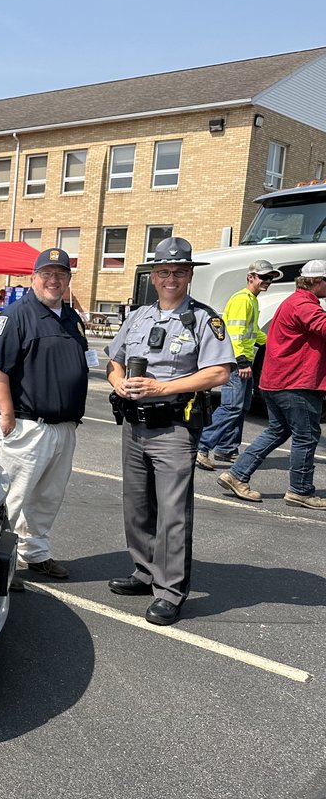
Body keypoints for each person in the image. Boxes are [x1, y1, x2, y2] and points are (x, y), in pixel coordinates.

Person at [105, 237, 234, 626]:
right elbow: (115, 360)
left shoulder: (204, 320)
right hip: (133, 424)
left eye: (179, 271)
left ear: (190, 275)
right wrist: (118, 383)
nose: (171, 278)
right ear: (154, 276)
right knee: (137, 506)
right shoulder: (139, 316)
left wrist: (163, 387)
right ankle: (145, 572)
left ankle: (170, 591)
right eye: (164, 271)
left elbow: (219, 372)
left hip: (174, 428)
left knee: (173, 513)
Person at [0, 247, 90, 586]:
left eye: (61, 274)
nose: (53, 281)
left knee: (47, 498)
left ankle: (36, 553)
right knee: (11, 498)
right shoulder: (16, 315)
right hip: (28, 426)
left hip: (64, 428)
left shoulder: (70, 318)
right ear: (34, 277)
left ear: (68, 280)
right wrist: (7, 416)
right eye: (47, 274)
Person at [217, 259, 326, 509]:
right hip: (295, 383)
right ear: (317, 282)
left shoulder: (294, 302)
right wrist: (242, 361)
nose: (267, 282)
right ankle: (300, 490)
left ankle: (236, 474)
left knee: (278, 430)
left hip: (277, 380)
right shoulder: (303, 305)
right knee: (306, 436)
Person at [196, 259, 281, 470]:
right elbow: (234, 334)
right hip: (237, 363)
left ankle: (226, 449)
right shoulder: (243, 299)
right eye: (263, 277)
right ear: (250, 277)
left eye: (270, 278)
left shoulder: (251, 300)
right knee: (232, 407)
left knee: (241, 407)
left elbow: (253, 333)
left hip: (243, 362)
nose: (267, 281)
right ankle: (201, 447)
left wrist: (276, 344)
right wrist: (242, 361)